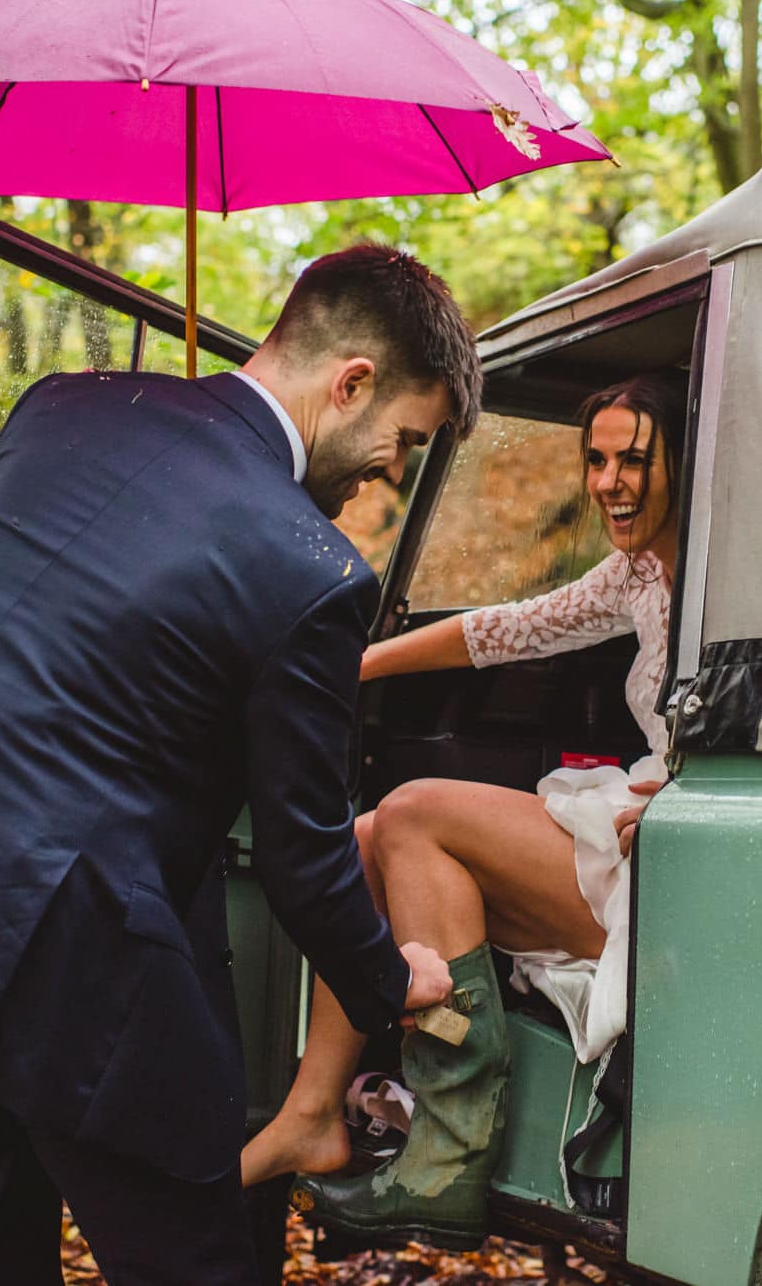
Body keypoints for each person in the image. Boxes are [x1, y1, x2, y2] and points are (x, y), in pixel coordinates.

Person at [0, 244, 480, 1286]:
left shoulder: (59, 409)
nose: (389, 475)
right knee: (197, 1261)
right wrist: (388, 976)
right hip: (59, 946)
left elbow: (57, 630)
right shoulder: (313, 574)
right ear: (350, 382)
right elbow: (303, 851)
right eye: (401, 441)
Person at [248, 370, 688, 1248]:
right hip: (632, 825)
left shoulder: (737, 569)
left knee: (410, 811)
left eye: (634, 458)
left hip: (675, 857)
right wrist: (354, 666)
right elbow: (504, 628)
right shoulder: (639, 570)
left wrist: (691, 788)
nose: (611, 482)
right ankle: (312, 1110)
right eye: (596, 461)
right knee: (371, 835)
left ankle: (447, 1148)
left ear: (683, 455)